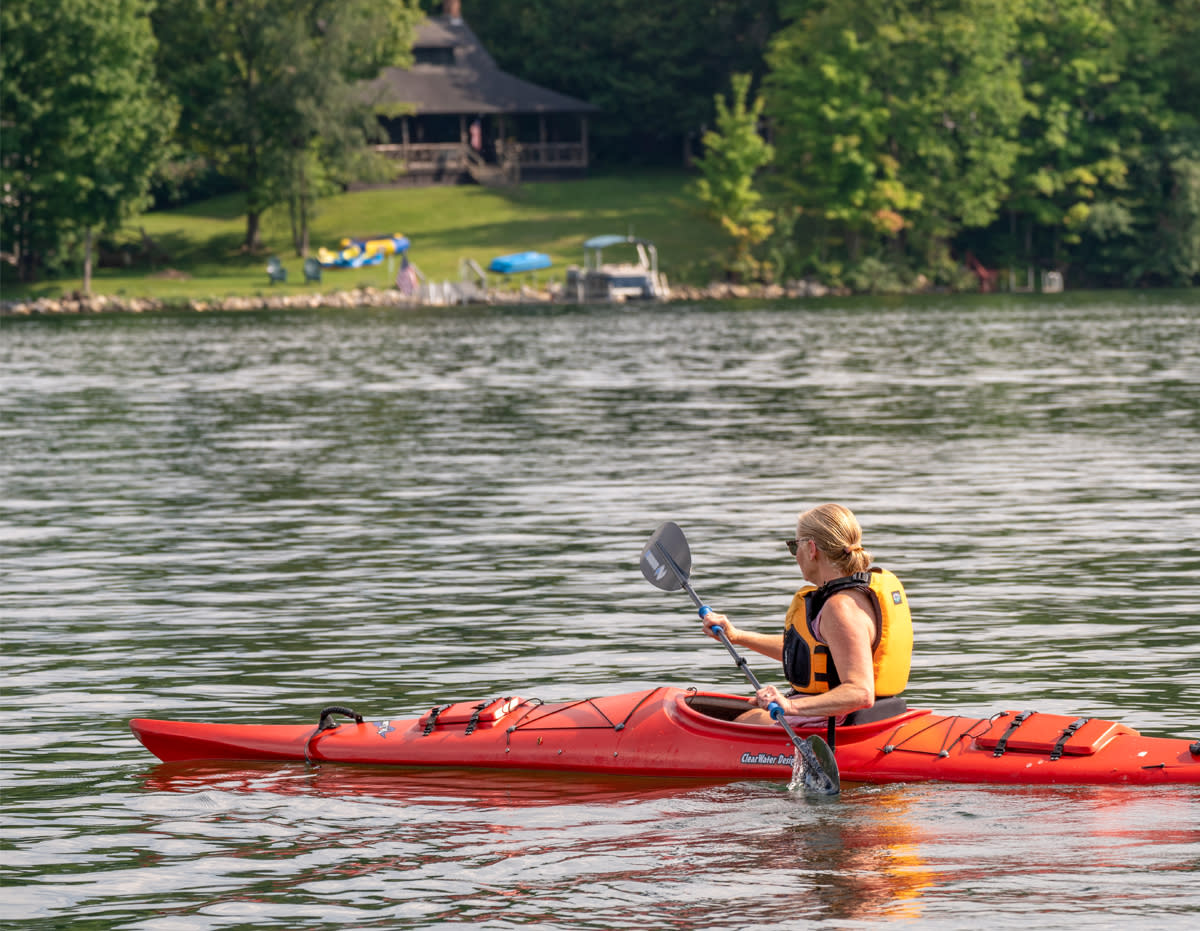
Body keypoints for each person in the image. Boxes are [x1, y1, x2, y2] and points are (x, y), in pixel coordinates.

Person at [702, 503, 912, 726]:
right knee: (751, 714)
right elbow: (812, 654)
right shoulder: (852, 597)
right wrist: (736, 636)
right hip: (868, 716)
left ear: (811, 549)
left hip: (838, 724)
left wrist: (789, 705)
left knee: (744, 720)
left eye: (795, 546)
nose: (795, 555)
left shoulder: (840, 607)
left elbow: (860, 692)